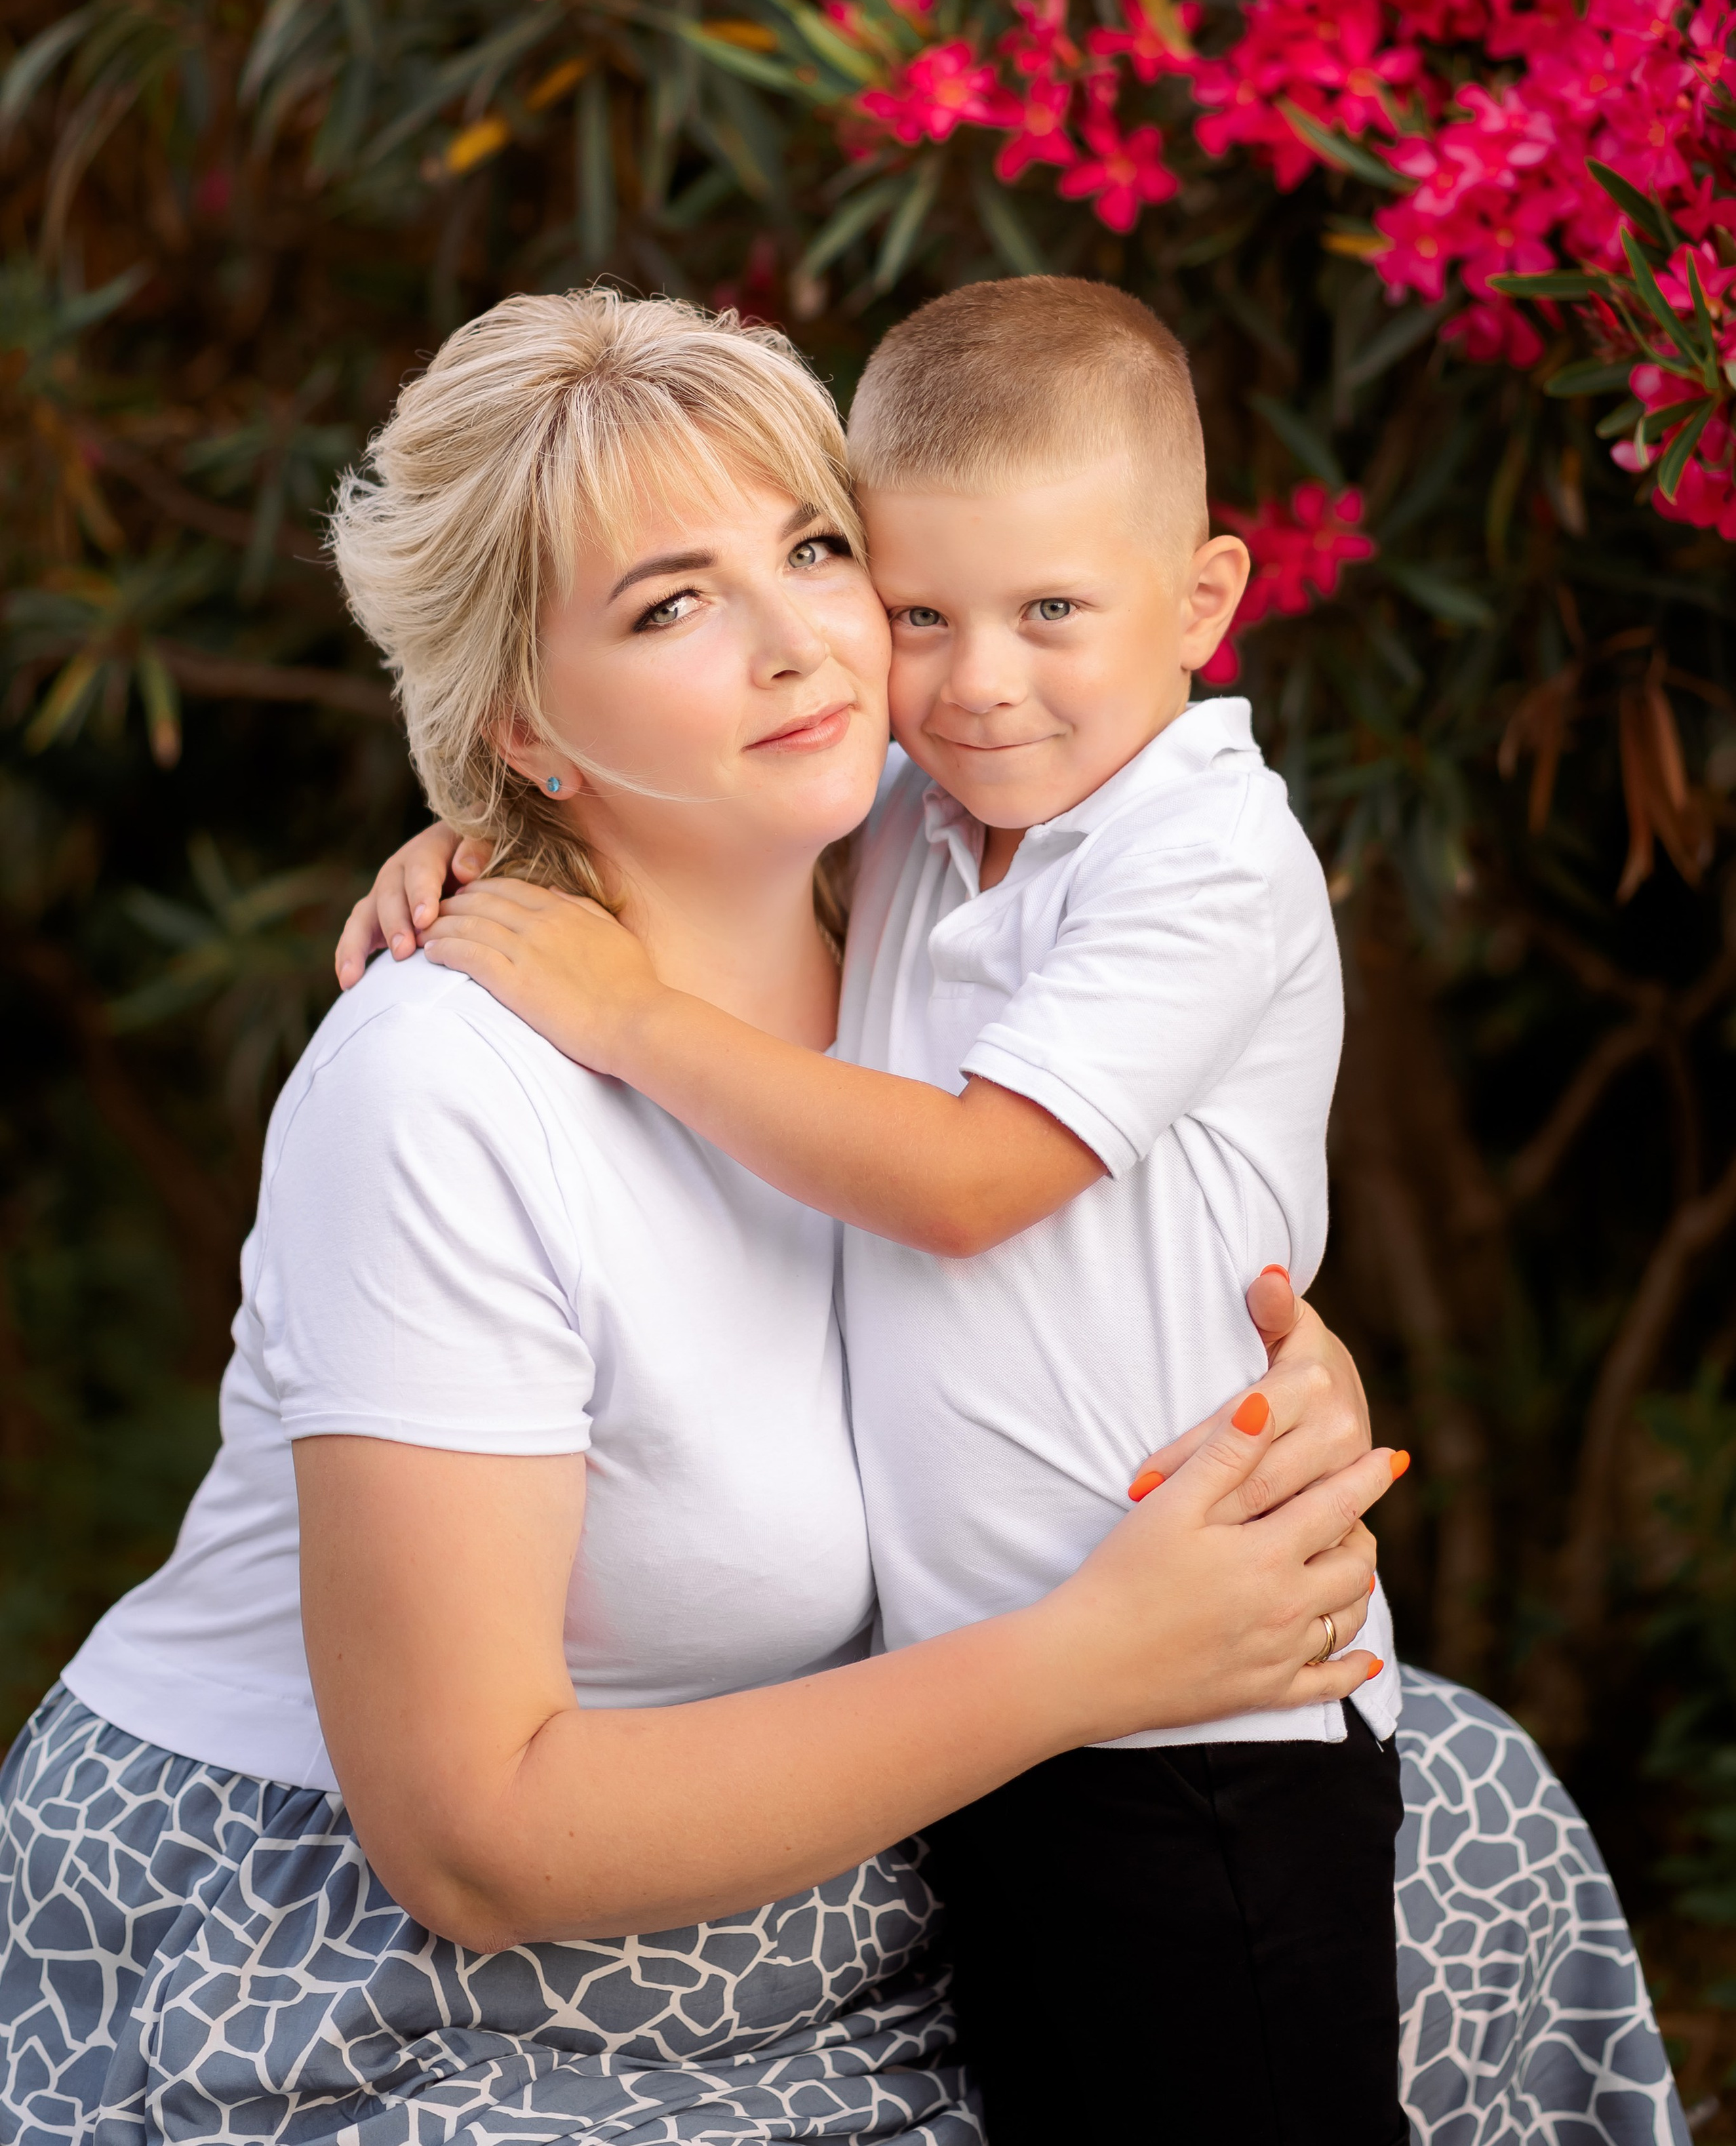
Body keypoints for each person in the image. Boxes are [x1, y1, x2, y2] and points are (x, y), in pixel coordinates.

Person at [0, 290, 1392, 2146]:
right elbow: (467, 1843)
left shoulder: (935, 863)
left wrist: (1280, 1363)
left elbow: (1100, 1199)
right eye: (670, 604)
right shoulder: (447, 1089)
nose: (805, 644)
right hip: (352, 1954)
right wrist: (1087, 1661)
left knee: (1452, 1822)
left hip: (868, 1851)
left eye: (820, 550)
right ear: (522, 722)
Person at [344, 285, 1692, 2146]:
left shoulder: (1201, 852)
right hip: (1010, 1725)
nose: (969, 679)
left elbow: (978, 1182)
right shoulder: (932, 811)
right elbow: (677, 794)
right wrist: (482, 834)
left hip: (1199, 1736)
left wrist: (624, 1014)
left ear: (1206, 604)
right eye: (916, 613)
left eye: (1052, 611)